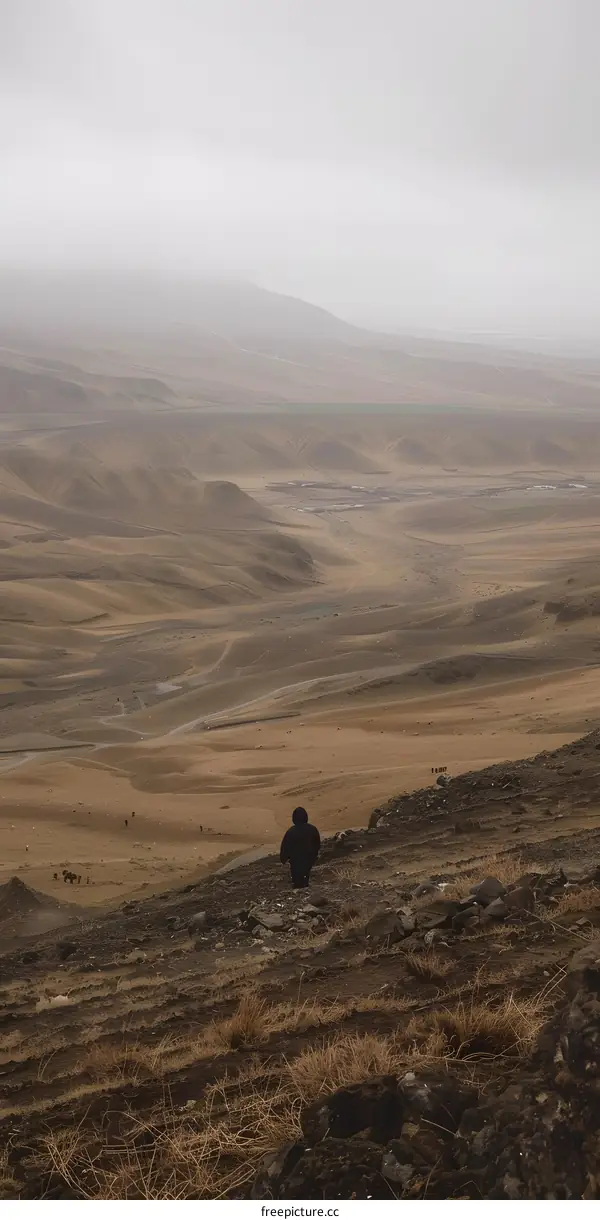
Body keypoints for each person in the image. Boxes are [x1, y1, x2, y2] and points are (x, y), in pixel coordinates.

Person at [280, 806, 321, 888]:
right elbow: (317, 844)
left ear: (294, 819)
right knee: (306, 875)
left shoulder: (291, 832)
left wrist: (283, 859)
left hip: (296, 861)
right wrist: (315, 855)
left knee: (297, 880)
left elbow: (285, 847)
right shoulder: (313, 829)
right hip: (309, 859)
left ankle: (299, 886)